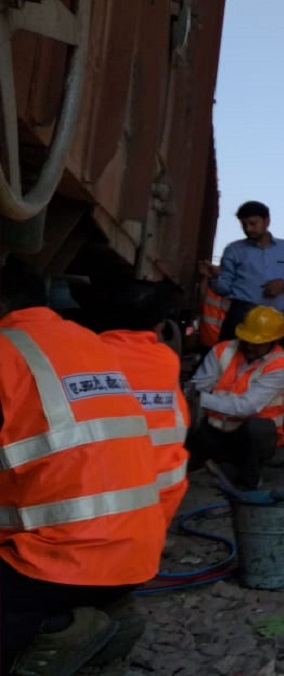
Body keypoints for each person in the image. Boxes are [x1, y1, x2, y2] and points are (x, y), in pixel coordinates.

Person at [0, 257, 166, 674]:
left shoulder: (5, 352)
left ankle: (60, 627)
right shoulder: (88, 341)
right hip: (135, 554)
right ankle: (105, 613)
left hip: (59, 564)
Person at [98, 281, 190, 528]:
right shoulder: (166, 360)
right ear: (160, 323)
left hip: (103, 493)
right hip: (162, 492)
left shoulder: (88, 353)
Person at [186, 306, 284, 491]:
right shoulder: (223, 350)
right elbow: (197, 385)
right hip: (214, 429)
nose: (250, 345)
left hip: (252, 437)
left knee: (256, 428)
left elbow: (245, 407)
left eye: (257, 342)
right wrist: (195, 399)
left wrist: (201, 399)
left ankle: (248, 480)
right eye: (247, 340)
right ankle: (213, 462)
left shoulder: (279, 366)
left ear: (273, 341)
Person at [198, 200, 284, 339]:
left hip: (274, 318)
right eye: (244, 225)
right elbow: (224, 288)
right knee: (230, 358)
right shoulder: (234, 250)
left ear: (267, 221)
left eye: (253, 224)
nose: (248, 229)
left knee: (271, 360)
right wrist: (213, 277)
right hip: (241, 315)